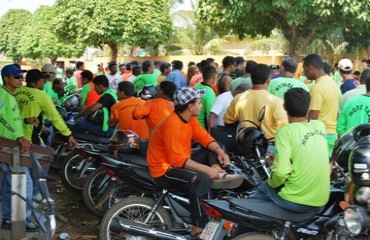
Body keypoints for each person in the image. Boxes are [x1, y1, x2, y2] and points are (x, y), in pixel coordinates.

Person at [147, 86, 242, 237]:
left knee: (215, 147)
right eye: (199, 103)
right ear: (190, 107)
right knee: (201, 178)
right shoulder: (172, 125)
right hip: (165, 170)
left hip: (182, 159)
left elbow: (204, 138)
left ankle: (219, 172)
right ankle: (198, 226)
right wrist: (207, 170)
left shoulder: (189, 119)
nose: (202, 105)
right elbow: (178, 161)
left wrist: (219, 152)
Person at [251, 88, 330, 212]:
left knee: (263, 190)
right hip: (321, 199)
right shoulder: (320, 126)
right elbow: (306, 153)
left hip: (295, 200)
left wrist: (270, 183)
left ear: (284, 107)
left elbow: (281, 172)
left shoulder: (285, 132)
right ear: (308, 108)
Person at [0, 64, 39, 232]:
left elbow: (10, 119)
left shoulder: (10, 95)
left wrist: (25, 121)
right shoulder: (2, 96)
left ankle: (10, 219)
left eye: (21, 77)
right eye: (17, 77)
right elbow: (2, 120)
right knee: (24, 183)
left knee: (11, 182)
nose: (21, 80)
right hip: (9, 146)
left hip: (12, 146)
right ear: (6, 78)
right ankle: (21, 221)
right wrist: (19, 137)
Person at [224, 64, 288, 140]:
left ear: (251, 78)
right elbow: (284, 126)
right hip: (268, 145)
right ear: (268, 80)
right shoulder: (275, 101)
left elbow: (227, 120)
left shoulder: (239, 98)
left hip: (245, 144)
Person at [15, 69, 77, 147]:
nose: (45, 82)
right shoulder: (42, 96)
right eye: (42, 81)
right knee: (46, 157)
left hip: (12, 134)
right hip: (29, 139)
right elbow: (55, 118)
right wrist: (68, 134)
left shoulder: (16, 91)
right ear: (36, 83)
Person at [304, 54, 341, 156]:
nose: (303, 72)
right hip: (332, 134)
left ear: (310, 67)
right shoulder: (334, 84)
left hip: (320, 134)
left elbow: (313, 116)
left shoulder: (317, 88)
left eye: (304, 69)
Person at [194, 66, 217, 130]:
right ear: (213, 78)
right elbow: (210, 116)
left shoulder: (196, 86)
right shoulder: (209, 93)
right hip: (202, 128)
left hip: (193, 124)